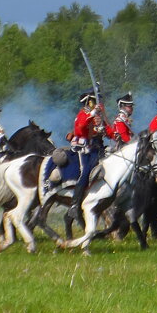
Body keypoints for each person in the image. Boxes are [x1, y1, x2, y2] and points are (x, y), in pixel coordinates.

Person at [68, 90, 106, 220]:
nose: (96, 103)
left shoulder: (93, 115)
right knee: (85, 172)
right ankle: (74, 204)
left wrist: (104, 129)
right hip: (82, 148)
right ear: (89, 102)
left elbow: (105, 130)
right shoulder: (82, 114)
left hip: (94, 147)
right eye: (94, 101)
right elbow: (80, 128)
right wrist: (93, 113)